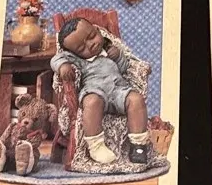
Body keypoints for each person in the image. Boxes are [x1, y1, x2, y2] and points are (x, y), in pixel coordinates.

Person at [51, 18, 151, 165]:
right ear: (75, 53)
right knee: (92, 102)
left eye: (91, 36)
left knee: (136, 99)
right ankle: (96, 146)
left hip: (118, 90)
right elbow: (56, 59)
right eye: (81, 48)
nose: (90, 45)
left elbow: (124, 68)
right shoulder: (78, 59)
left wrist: (118, 56)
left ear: (97, 31)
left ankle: (138, 146)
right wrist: (63, 65)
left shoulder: (109, 49)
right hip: (95, 90)